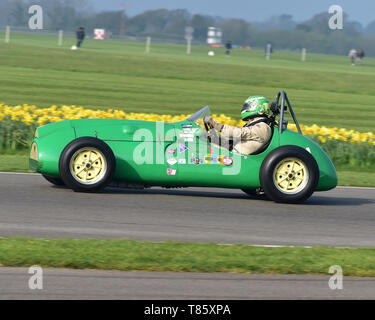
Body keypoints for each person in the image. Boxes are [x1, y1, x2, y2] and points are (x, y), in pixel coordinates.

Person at [204, 96, 273, 155]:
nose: (244, 109)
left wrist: (215, 125)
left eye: (247, 107)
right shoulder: (257, 124)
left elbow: (239, 133)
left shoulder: (262, 127)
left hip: (238, 157)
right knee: (205, 140)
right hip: (234, 152)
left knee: (203, 148)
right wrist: (216, 139)